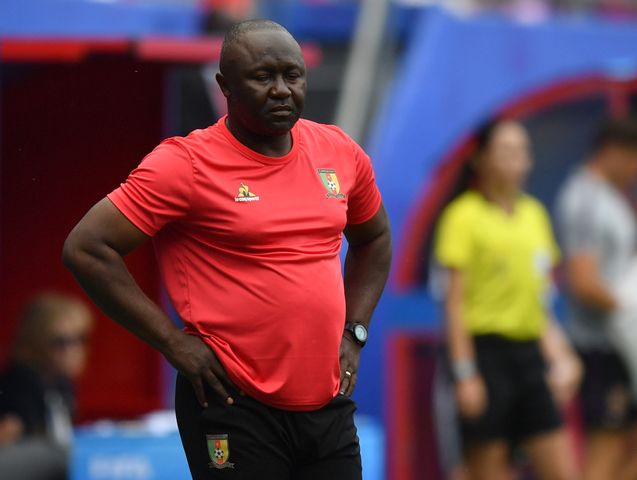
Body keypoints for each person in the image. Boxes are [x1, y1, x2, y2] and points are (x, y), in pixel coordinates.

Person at [62, 19, 391, 479]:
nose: (281, 90)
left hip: (326, 403)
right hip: (232, 403)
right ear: (225, 87)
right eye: (263, 77)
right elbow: (87, 247)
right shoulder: (185, 164)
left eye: (291, 75)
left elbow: (373, 238)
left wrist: (354, 331)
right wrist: (172, 342)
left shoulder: (338, 151)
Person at [434, 120, 581, 480]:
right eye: (506, 151)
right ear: (481, 159)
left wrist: (563, 356)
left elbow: (539, 301)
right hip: (485, 357)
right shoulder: (462, 217)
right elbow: (453, 305)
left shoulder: (535, 216)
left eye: (523, 151)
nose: (518, 160)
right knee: (487, 470)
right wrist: (466, 374)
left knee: (562, 469)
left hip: (529, 357)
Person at [555, 117, 637, 480]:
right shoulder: (585, 199)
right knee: (603, 451)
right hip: (599, 347)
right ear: (613, 151)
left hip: (623, 346)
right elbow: (583, 281)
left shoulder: (608, 198)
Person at [0, 292, 93, 479]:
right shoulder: (21, 382)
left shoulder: (62, 383)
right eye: (61, 342)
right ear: (37, 342)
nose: (74, 350)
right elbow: (6, 437)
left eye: (80, 339)